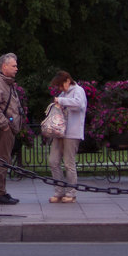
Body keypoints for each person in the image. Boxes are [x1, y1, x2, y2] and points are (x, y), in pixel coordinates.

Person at [0, 53, 24, 205]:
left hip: (9, 127)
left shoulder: (6, 82)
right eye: (13, 66)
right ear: (4, 66)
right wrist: (5, 125)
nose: (16, 68)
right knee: (2, 160)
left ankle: (1, 191)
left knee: (5, 159)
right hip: (3, 129)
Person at [47, 70, 87, 204]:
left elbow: (79, 104)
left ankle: (71, 193)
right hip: (60, 132)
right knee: (53, 161)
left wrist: (61, 100)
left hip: (72, 133)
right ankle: (59, 191)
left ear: (68, 81)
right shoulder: (63, 93)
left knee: (69, 163)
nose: (59, 88)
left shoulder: (78, 91)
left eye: (60, 85)